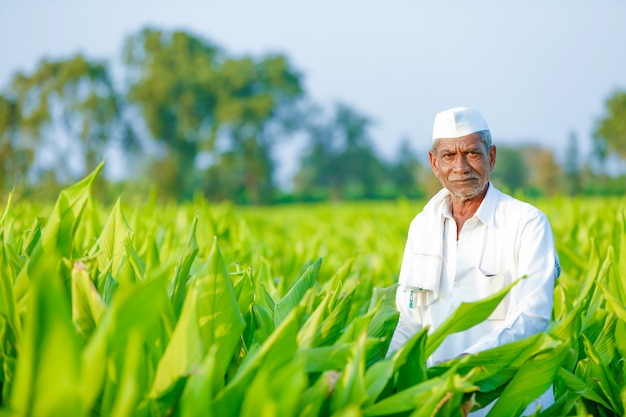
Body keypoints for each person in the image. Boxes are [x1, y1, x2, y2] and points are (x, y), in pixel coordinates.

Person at [386, 107, 561, 415]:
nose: (461, 167)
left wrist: (465, 364)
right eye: (449, 156)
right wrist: (382, 377)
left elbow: (533, 317)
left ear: (491, 157)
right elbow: (409, 317)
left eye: (472, 153)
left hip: (512, 400)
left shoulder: (526, 222)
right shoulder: (422, 226)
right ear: (434, 163)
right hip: (443, 401)